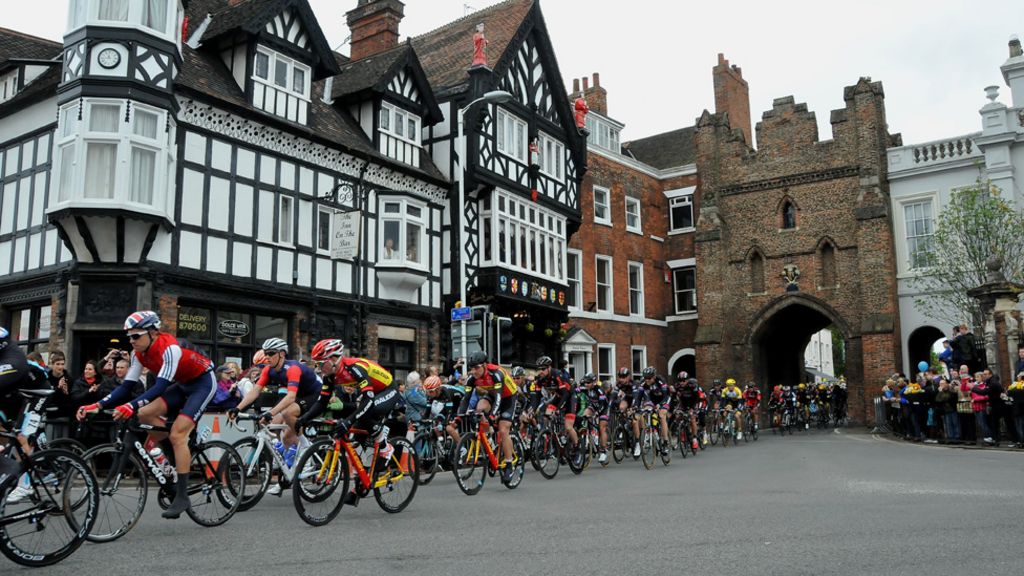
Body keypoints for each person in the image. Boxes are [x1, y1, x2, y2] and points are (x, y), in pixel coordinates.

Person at [77, 311, 215, 519]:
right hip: (182, 384)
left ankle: (182, 494)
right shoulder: (138, 353)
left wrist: (129, 406)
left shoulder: (170, 349)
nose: (131, 341)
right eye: (129, 337)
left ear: (153, 332)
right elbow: (126, 388)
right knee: (143, 414)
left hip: (203, 383)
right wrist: (96, 404)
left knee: (178, 434)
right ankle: (173, 452)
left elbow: (159, 387)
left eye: (136, 336)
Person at [308, 338, 400, 505]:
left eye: (321, 363)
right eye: (317, 364)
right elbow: (322, 402)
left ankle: (386, 448)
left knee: (365, 411)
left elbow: (368, 401)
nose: (319, 368)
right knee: (357, 441)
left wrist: (348, 422)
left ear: (334, 359)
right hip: (371, 395)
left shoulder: (355, 368)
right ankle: (361, 483)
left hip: (387, 390)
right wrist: (303, 419)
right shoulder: (330, 376)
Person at [229, 338, 325, 465]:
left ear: (282, 354)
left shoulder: (292, 368)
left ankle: (305, 445)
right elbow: (255, 391)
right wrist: (237, 408)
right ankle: (288, 473)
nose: (267, 357)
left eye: (271, 353)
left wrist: (271, 412)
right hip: (299, 394)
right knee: (283, 434)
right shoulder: (269, 370)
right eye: (265, 353)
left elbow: (290, 397)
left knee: (287, 413)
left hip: (315, 393)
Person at [459, 351, 518, 479]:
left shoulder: (496, 373)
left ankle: (509, 464)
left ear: (485, 365)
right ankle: (490, 441)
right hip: (492, 394)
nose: (473, 371)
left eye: (476, 368)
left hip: (508, 397)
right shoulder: (472, 378)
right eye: (471, 368)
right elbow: (466, 399)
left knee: (503, 430)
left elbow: (498, 398)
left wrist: (493, 415)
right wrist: (459, 415)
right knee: (479, 409)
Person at [633, 367, 671, 455]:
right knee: (645, 411)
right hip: (652, 400)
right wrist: (635, 406)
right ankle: (648, 432)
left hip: (664, 399)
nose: (647, 380)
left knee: (661, 416)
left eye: (649, 378)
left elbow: (666, 395)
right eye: (645, 378)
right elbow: (639, 397)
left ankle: (665, 442)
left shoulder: (661, 381)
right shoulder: (643, 383)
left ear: (654, 377)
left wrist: (661, 404)